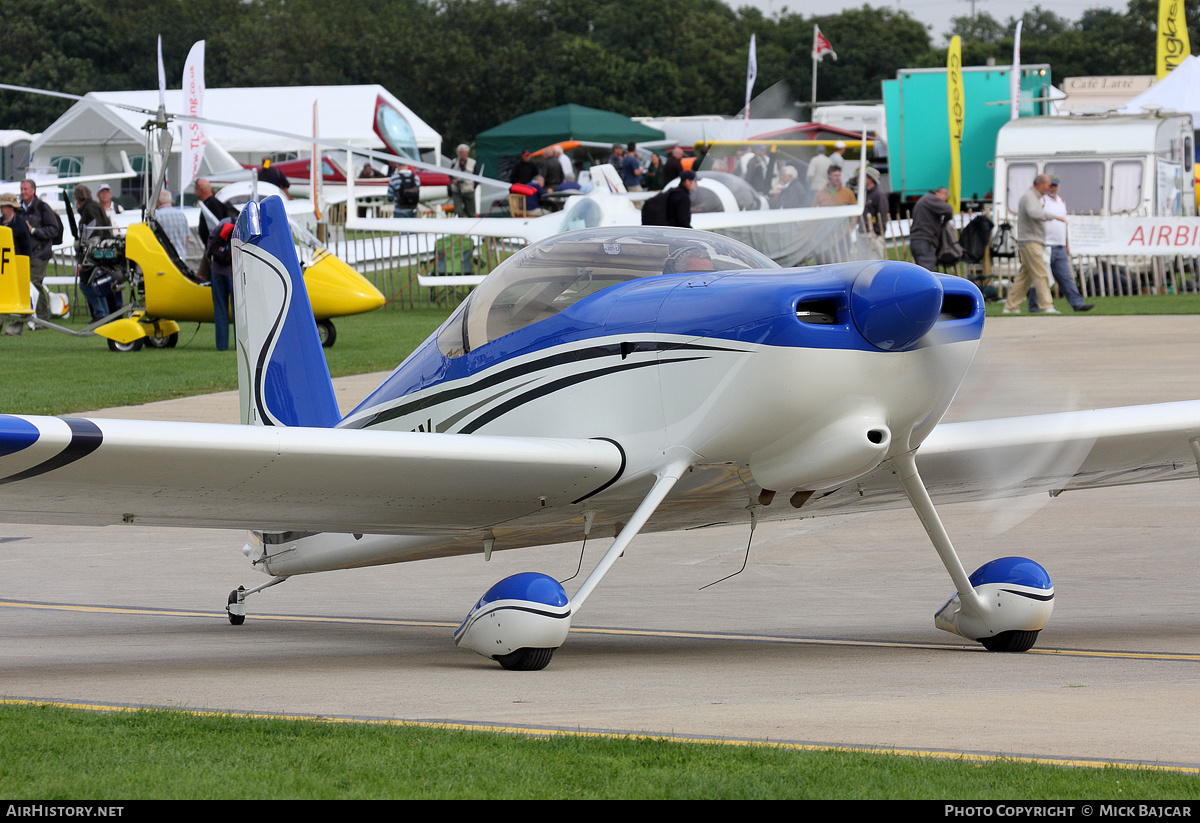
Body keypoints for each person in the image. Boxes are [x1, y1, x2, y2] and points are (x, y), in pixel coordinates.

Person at [1027, 175, 1094, 313]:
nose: (1053, 188)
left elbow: (1063, 224)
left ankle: (1078, 304)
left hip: (1059, 245)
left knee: (1066, 277)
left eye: (1055, 185)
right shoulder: (1042, 200)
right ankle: (1034, 306)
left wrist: (1066, 244)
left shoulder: (1060, 201)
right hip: (1045, 245)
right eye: (1050, 185)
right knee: (1041, 277)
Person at [1003, 173, 1066, 315]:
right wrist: (1053, 216)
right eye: (1048, 184)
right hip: (1030, 241)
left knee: (1025, 276)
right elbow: (1034, 213)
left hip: (1029, 240)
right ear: (1040, 184)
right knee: (1041, 273)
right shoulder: (1030, 197)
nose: (1049, 187)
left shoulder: (1034, 197)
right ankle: (1046, 305)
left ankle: (1011, 306)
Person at [17, 179, 62, 329]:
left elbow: (53, 229)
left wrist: (34, 231)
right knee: (25, 285)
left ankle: (42, 319)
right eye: (22, 189)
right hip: (23, 254)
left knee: (35, 283)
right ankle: (27, 316)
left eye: (26, 189)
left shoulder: (43, 208)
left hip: (40, 252)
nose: (23, 192)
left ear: (33, 191)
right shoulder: (18, 209)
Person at [74, 185, 121, 322]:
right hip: (101, 252)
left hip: (97, 254)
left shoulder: (90, 208)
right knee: (98, 284)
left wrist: (92, 250)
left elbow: (97, 231)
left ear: (78, 198)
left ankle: (101, 314)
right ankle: (105, 313)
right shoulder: (93, 207)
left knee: (88, 284)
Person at [206, 218, 236, 351]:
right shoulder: (245, 227)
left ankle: (222, 346)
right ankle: (239, 346)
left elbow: (210, 244)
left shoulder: (223, 223)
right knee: (239, 312)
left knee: (220, 310)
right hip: (234, 272)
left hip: (217, 271)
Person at [909, 186, 953, 271]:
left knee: (922, 271)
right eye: (946, 199)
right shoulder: (932, 199)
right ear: (941, 193)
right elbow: (949, 210)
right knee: (928, 271)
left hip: (917, 241)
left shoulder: (925, 199)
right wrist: (945, 221)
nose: (945, 202)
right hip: (924, 241)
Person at [195, 178, 232, 247]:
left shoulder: (212, 204)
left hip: (215, 247)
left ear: (199, 189)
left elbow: (219, 225)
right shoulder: (209, 203)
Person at [860, 167, 889, 257]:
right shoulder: (864, 194)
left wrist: (877, 232)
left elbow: (883, 214)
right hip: (863, 234)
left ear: (870, 178)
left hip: (874, 235)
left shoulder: (879, 194)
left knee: (875, 263)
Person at [155, 189, 191, 261]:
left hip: (165, 258)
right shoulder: (181, 215)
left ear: (158, 202)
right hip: (181, 258)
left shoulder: (157, 215)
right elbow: (187, 236)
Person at [449, 144, 477, 217]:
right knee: (458, 211)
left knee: (471, 212)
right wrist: (453, 181)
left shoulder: (472, 163)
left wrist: (474, 187)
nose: (464, 154)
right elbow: (450, 175)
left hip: (469, 190)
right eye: (462, 152)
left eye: (466, 152)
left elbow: (477, 176)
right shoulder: (454, 162)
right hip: (457, 190)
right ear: (459, 153)